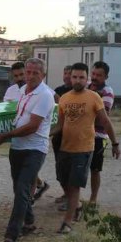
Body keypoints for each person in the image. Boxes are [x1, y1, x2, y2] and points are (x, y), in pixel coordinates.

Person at [0, 58, 55, 242]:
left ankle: (11, 235)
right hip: (17, 148)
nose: (31, 75)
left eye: (36, 72)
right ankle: (29, 221)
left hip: (35, 149)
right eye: (29, 72)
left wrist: (5, 136)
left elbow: (33, 126)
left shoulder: (45, 95)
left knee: (22, 189)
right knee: (19, 188)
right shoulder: (20, 91)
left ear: (43, 75)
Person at [52, 62, 120, 234]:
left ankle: (67, 222)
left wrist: (115, 143)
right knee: (62, 180)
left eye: (82, 77)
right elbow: (60, 124)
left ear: (86, 78)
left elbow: (105, 121)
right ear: (70, 77)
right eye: (75, 76)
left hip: (85, 148)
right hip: (65, 147)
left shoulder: (94, 97)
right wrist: (45, 134)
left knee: (75, 185)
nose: (78, 80)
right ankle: (78, 205)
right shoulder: (65, 98)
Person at [87, 61, 115, 206]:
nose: (95, 77)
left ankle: (93, 198)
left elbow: (102, 117)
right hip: (82, 134)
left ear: (106, 77)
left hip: (98, 136)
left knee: (95, 169)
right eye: (93, 74)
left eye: (99, 75)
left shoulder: (107, 92)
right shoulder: (86, 86)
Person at [52, 65, 74, 207]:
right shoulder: (57, 91)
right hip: (58, 136)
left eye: (69, 74)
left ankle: (72, 199)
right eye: (64, 73)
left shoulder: (78, 92)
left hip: (72, 137)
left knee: (70, 168)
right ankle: (66, 193)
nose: (66, 76)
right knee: (60, 168)